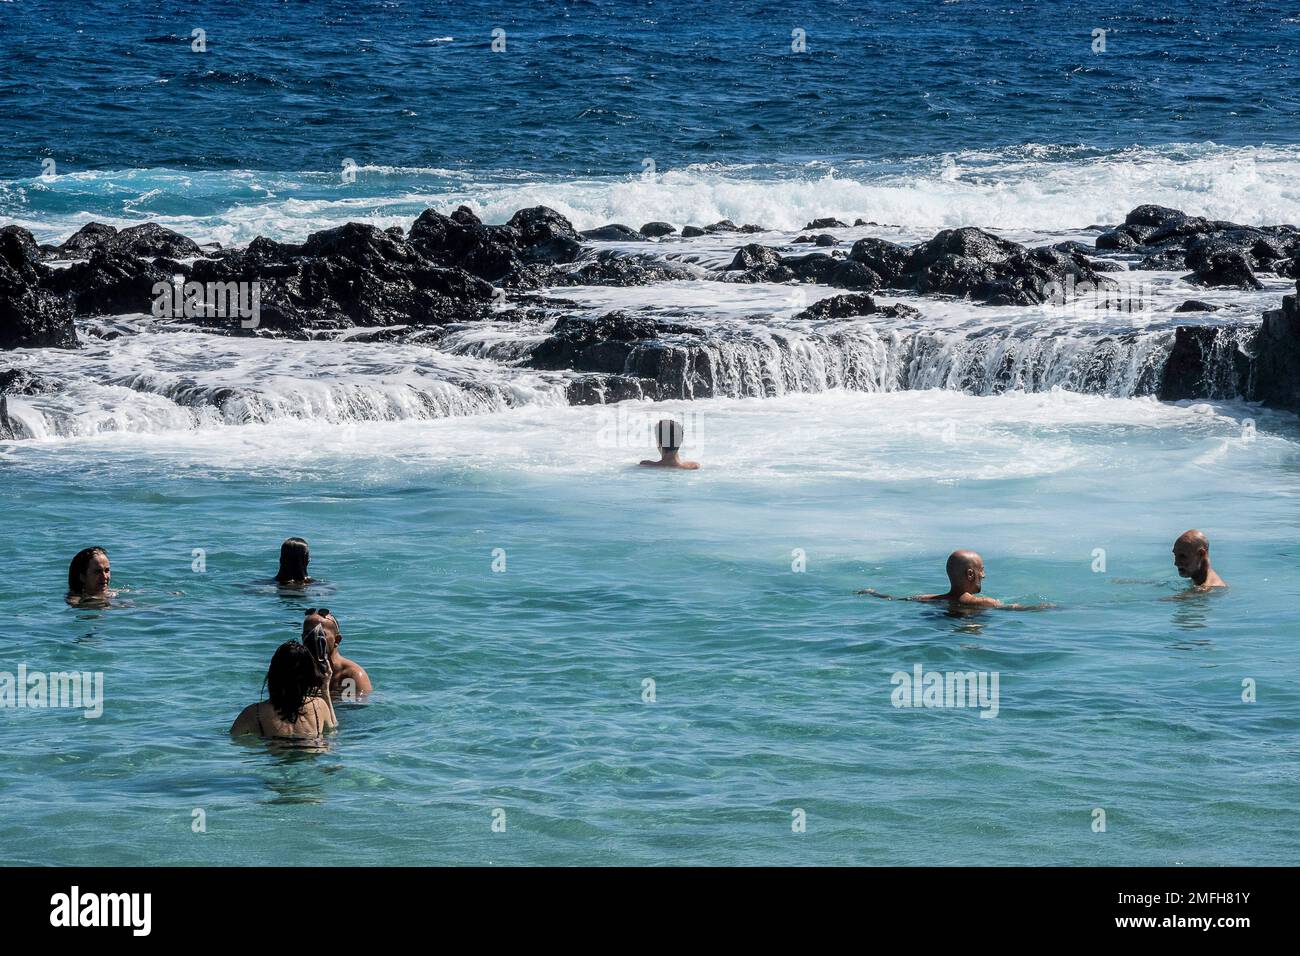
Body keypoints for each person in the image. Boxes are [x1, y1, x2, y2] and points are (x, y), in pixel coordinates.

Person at [859, 550, 1050, 610]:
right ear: (970, 574)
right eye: (981, 570)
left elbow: (892, 598)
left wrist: (872, 593)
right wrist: (1047, 607)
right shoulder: (986, 603)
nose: (984, 575)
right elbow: (1017, 609)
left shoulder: (927, 599)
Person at [230, 639, 337, 739]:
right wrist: (325, 689)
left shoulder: (255, 713)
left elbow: (231, 738)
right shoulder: (318, 706)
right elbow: (333, 729)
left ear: (273, 674)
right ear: (309, 676)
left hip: (278, 754)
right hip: (311, 754)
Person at [302, 609, 372, 699]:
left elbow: (354, 709)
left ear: (337, 640)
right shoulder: (298, 669)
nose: (312, 638)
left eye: (320, 634)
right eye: (307, 633)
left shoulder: (351, 675)